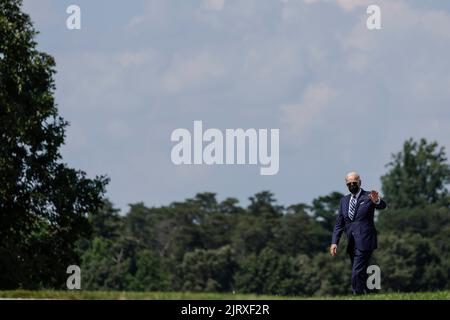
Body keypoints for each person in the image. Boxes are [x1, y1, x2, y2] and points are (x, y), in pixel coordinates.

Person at [330, 171, 387, 294]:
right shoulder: (343, 201)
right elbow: (339, 224)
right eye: (349, 183)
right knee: (362, 270)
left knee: (356, 271)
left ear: (359, 182)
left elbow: (382, 205)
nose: (352, 185)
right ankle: (370, 293)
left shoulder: (368, 196)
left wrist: (377, 200)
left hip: (365, 240)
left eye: (354, 182)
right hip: (351, 242)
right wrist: (335, 242)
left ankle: (357, 294)